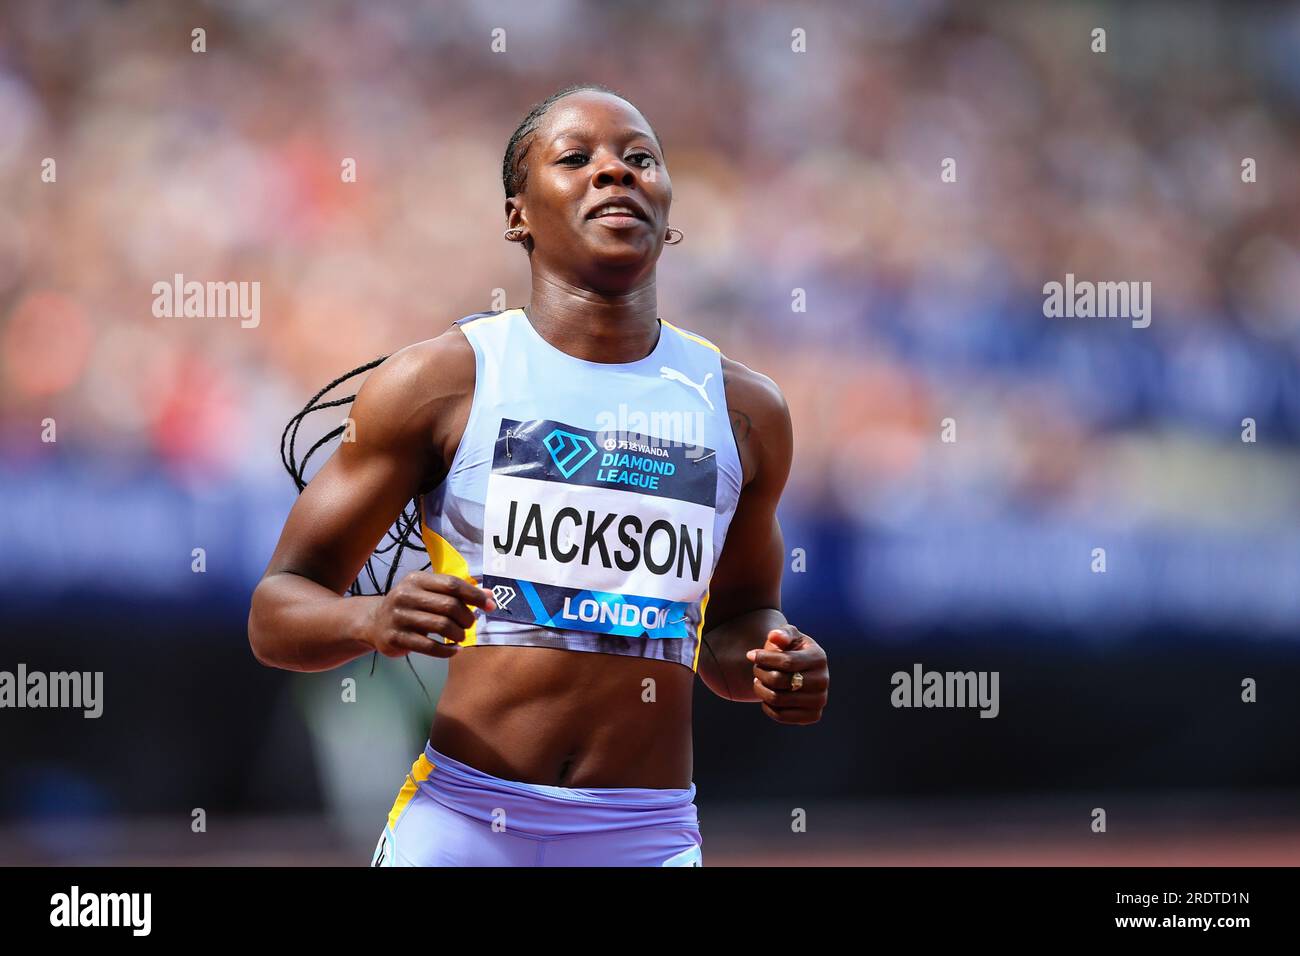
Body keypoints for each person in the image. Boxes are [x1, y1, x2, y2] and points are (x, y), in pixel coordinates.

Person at [248, 83, 829, 866]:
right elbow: (276, 610)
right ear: (517, 214)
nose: (614, 174)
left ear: (668, 207)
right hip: (462, 826)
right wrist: (372, 619)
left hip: (644, 839)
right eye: (577, 159)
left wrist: (775, 662)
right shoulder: (442, 382)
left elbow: (734, 627)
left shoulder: (744, 410)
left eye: (639, 159)